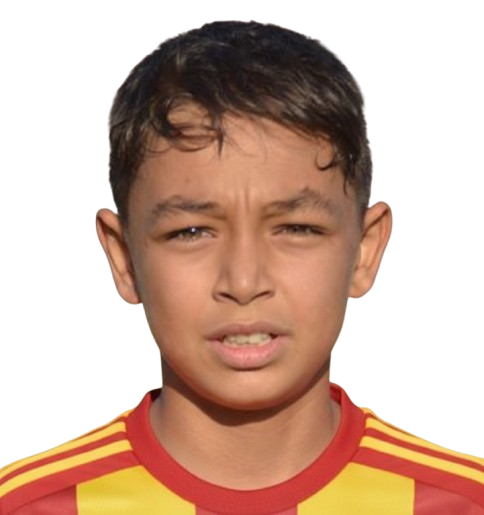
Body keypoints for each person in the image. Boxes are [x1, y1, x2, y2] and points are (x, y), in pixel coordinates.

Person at [1, 20, 482, 514]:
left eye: (296, 228)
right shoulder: (28, 506)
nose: (245, 281)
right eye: (191, 232)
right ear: (122, 258)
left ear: (365, 249)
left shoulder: (463, 503)